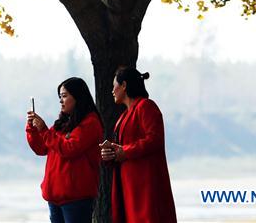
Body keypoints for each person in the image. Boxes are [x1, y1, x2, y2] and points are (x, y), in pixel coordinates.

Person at [100, 67, 177, 223]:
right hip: (128, 185)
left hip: (145, 184)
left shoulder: (146, 106)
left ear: (124, 85)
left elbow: (154, 139)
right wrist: (111, 154)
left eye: (114, 85)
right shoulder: (123, 116)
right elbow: (122, 148)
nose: (112, 91)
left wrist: (125, 152)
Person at [26, 77, 104, 223]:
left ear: (78, 97)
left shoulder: (90, 123)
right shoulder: (62, 123)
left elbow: (69, 148)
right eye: (60, 97)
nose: (61, 101)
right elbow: (42, 148)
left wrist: (44, 130)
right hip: (55, 197)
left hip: (76, 198)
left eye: (64, 96)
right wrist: (33, 129)